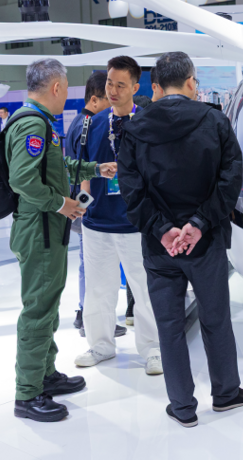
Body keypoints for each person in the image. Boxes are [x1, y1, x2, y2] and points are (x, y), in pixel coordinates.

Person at [118, 51, 243, 428]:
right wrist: (198, 223)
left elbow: (131, 192)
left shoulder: (133, 129)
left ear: (156, 87)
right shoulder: (215, 121)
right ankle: (226, 393)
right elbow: (232, 178)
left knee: (169, 326)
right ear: (192, 83)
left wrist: (164, 230)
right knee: (215, 319)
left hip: (158, 246)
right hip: (206, 241)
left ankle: (182, 406)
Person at [4, 58, 115, 422]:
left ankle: (44, 375)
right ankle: (27, 393)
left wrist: (95, 169)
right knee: (38, 310)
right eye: (66, 90)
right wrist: (61, 203)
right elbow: (23, 180)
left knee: (48, 305)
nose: (67, 97)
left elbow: (56, 167)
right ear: (55, 88)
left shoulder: (40, 122)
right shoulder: (32, 124)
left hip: (46, 229)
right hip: (39, 230)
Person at [73, 56, 162, 376]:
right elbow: (85, 169)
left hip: (137, 224)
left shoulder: (149, 125)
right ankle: (101, 344)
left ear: (135, 87)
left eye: (120, 84)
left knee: (145, 289)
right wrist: (82, 205)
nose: (112, 89)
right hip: (97, 222)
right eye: (109, 82)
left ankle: (153, 348)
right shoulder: (95, 124)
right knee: (97, 289)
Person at [63, 70, 118, 335]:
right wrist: (85, 206)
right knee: (91, 265)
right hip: (87, 206)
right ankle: (87, 316)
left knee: (91, 264)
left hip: (85, 205)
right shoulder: (88, 125)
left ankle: (86, 314)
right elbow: (83, 172)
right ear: (95, 100)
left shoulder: (79, 123)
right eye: (108, 101)